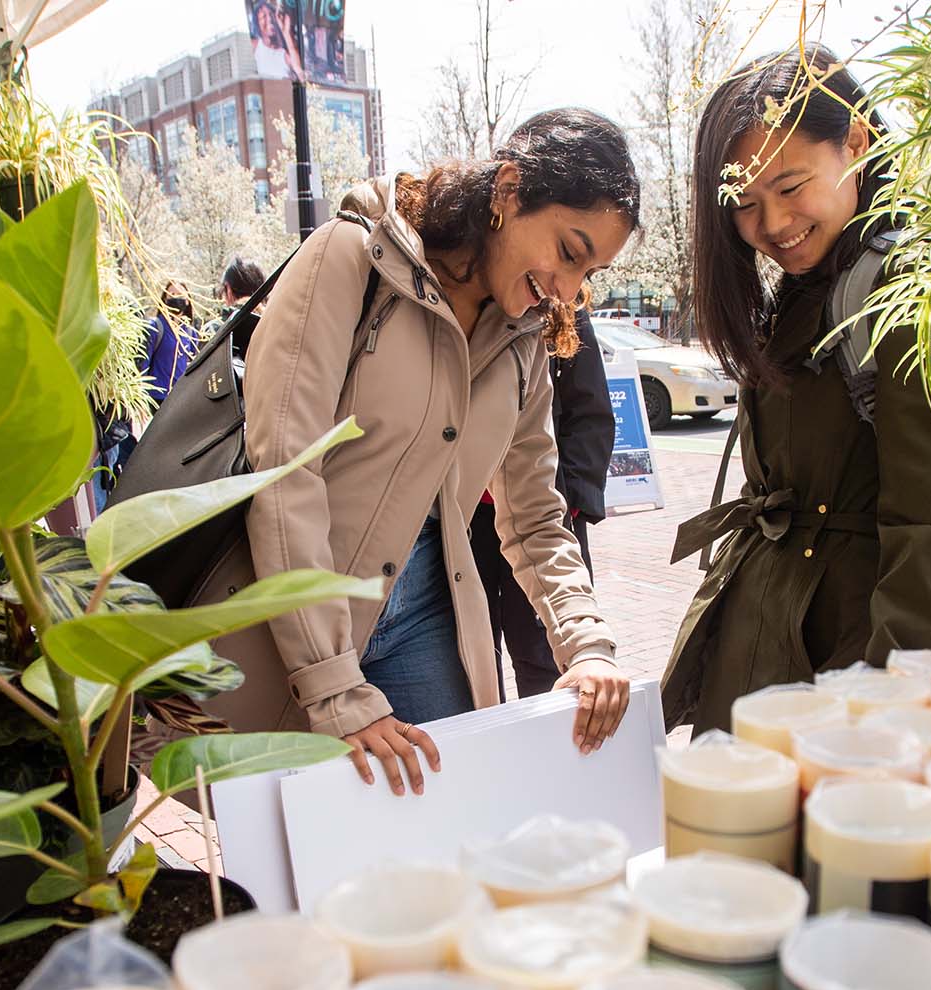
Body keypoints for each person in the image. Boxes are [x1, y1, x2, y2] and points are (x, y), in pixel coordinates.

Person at [190, 108, 640, 795]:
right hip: (300, 617)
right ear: (510, 190)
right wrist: (334, 686)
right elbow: (284, 474)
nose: (569, 291)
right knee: (307, 868)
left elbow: (537, 519)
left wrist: (586, 643)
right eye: (569, 252)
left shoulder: (524, 341)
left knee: (446, 831)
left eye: (590, 273)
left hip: (427, 614)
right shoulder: (350, 257)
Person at [662, 46, 931, 736]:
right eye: (745, 205)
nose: (773, 225)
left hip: (845, 672)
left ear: (855, 141)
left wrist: (883, 720)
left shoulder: (909, 291)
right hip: (777, 646)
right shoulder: (810, 284)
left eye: (789, 187)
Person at [469, 307, 615, 696]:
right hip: (467, 520)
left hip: (543, 513)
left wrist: (573, 504)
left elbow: (592, 412)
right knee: (474, 646)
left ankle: (550, 742)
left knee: (541, 646)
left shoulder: (562, 309)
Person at [138, 282, 197, 408]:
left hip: (181, 399)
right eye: (172, 294)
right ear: (165, 299)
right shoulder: (155, 327)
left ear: (187, 301)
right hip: (156, 398)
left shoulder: (191, 332)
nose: (176, 298)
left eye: (180, 294)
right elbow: (143, 364)